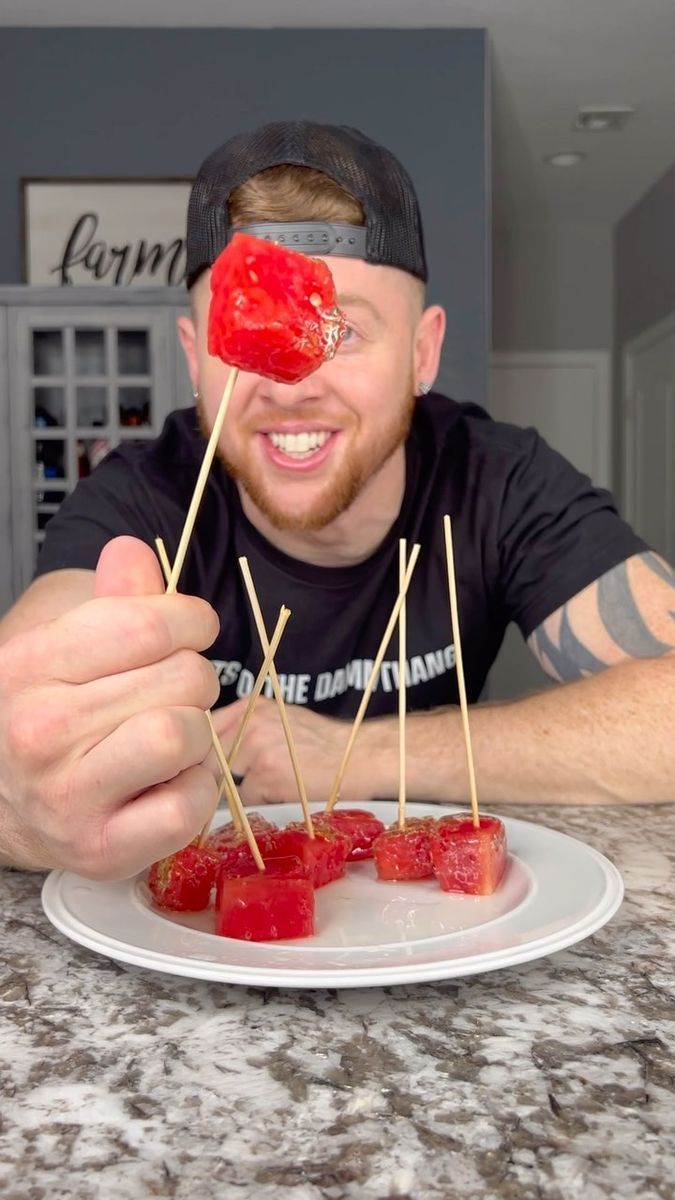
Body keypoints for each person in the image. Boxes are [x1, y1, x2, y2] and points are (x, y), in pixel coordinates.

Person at [0, 120, 673, 880]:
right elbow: (18, 720)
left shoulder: (498, 477)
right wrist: (19, 815)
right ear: (194, 357)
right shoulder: (141, 494)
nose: (291, 384)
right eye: (247, 332)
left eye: (341, 330)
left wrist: (358, 757)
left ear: (422, 352)